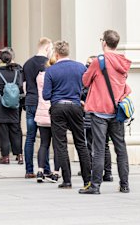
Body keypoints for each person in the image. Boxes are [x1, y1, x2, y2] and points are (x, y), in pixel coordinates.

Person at [79, 30, 131, 195]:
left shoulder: (99, 61)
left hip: (100, 110)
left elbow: (85, 81)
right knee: (120, 148)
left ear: (104, 43)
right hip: (117, 111)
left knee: (99, 148)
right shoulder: (123, 61)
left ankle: (95, 186)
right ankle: (124, 185)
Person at [43, 40, 91, 189]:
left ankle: (67, 180)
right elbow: (87, 86)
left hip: (58, 107)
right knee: (80, 143)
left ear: (56, 54)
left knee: (60, 144)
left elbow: (45, 95)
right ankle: (87, 180)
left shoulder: (51, 70)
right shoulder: (80, 67)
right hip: (76, 106)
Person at [23, 37, 54, 178]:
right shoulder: (47, 64)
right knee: (45, 138)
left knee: (30, 137)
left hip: (30, 101)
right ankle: (45, 168)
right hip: (42, 103)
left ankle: (29, 170)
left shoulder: (28, 63)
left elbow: (24, 85)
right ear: (47, 48)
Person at [80, 55, 113, 182]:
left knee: (98, 145)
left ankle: (103, 171)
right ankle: (105, 171)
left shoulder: (91, 78)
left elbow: (83, 91)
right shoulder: (102, 77)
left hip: (92, 113)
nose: (88, 65)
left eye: (90, 63)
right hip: (94, 114)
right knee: (100, 145)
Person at [0, 51, 23, 164]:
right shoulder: (16, 72)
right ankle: (19, 155)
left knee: (3, 133)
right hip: (14, 106)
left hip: (0, 107)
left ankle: (5, 157)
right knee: (16, 131)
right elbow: (20, 87)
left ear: (0, 60)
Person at [35, 55, 61, 183]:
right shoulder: (56, 76)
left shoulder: (39, 76)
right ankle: (56, 173)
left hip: (41, 111)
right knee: (57, 145)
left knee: (44, 144)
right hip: (55, 111)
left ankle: (40, 171)